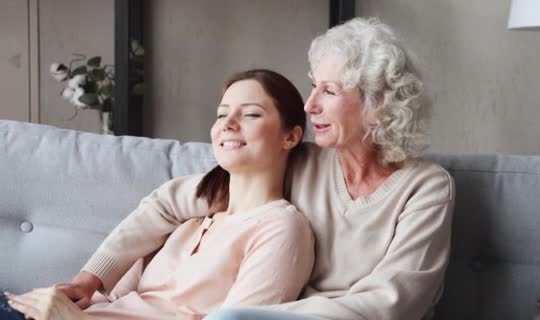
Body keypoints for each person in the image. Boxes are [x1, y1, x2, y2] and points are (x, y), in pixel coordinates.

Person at [18, 17, 455, 320]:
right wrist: (91, 278)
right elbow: (171, 202)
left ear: (377, 106)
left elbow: (396, 301)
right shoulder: (301, 161)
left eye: (329, 90)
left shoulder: (424, 187)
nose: (310, 104)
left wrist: (254, 315)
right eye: (312, 86)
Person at [5, 69, 315, 320]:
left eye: (251, 115)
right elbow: (109, 301)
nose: (228, 125)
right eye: (221, 115)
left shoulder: (281, 228)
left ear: (290, 136)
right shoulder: (189, 220)